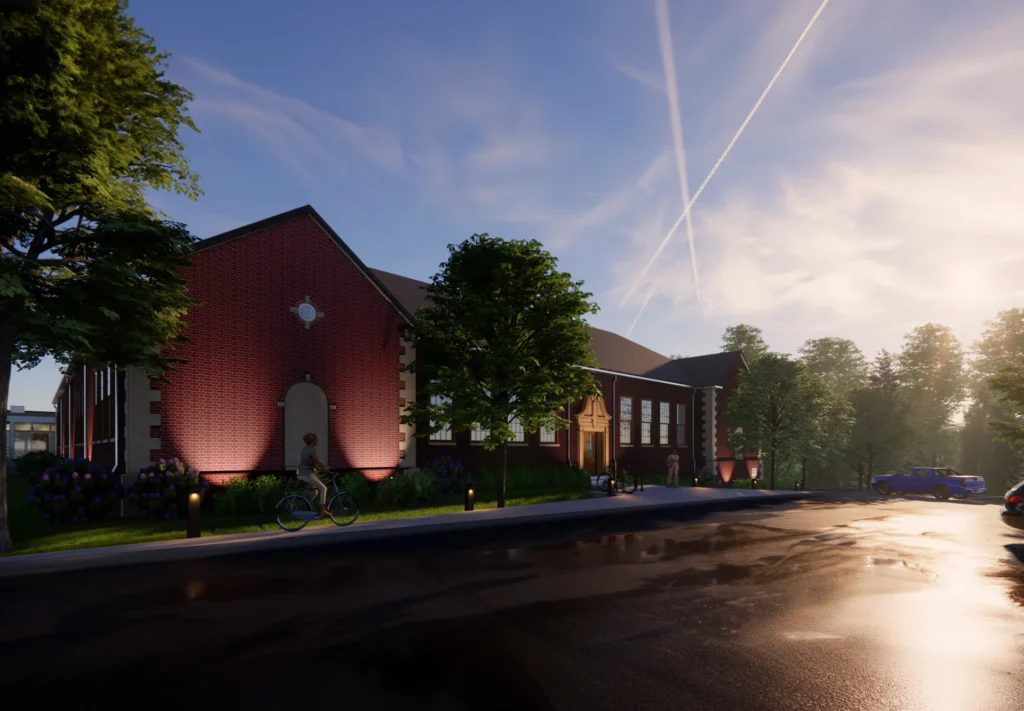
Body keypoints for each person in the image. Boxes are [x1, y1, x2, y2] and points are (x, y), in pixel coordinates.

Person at [298, 432, 329, 517]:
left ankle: (304, 507)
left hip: (302, 473)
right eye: (316, 439)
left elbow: (312, 463)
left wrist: (319, 470)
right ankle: (323, 511)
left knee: (314, 492)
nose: (318, 440)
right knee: (323, 488)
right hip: (307, 474)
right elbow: (317, 462)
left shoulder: (306, 449)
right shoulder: (311, 450)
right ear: (313, 441)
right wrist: (327, 471)